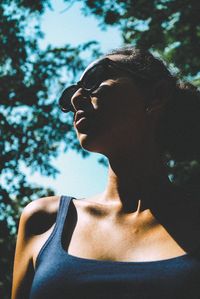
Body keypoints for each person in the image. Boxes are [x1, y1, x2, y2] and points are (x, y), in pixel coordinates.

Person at [12, 46, 200, 299]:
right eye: (70, 95)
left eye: (94, 80)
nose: (76, 99)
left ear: (157, 95)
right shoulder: (45, 221)